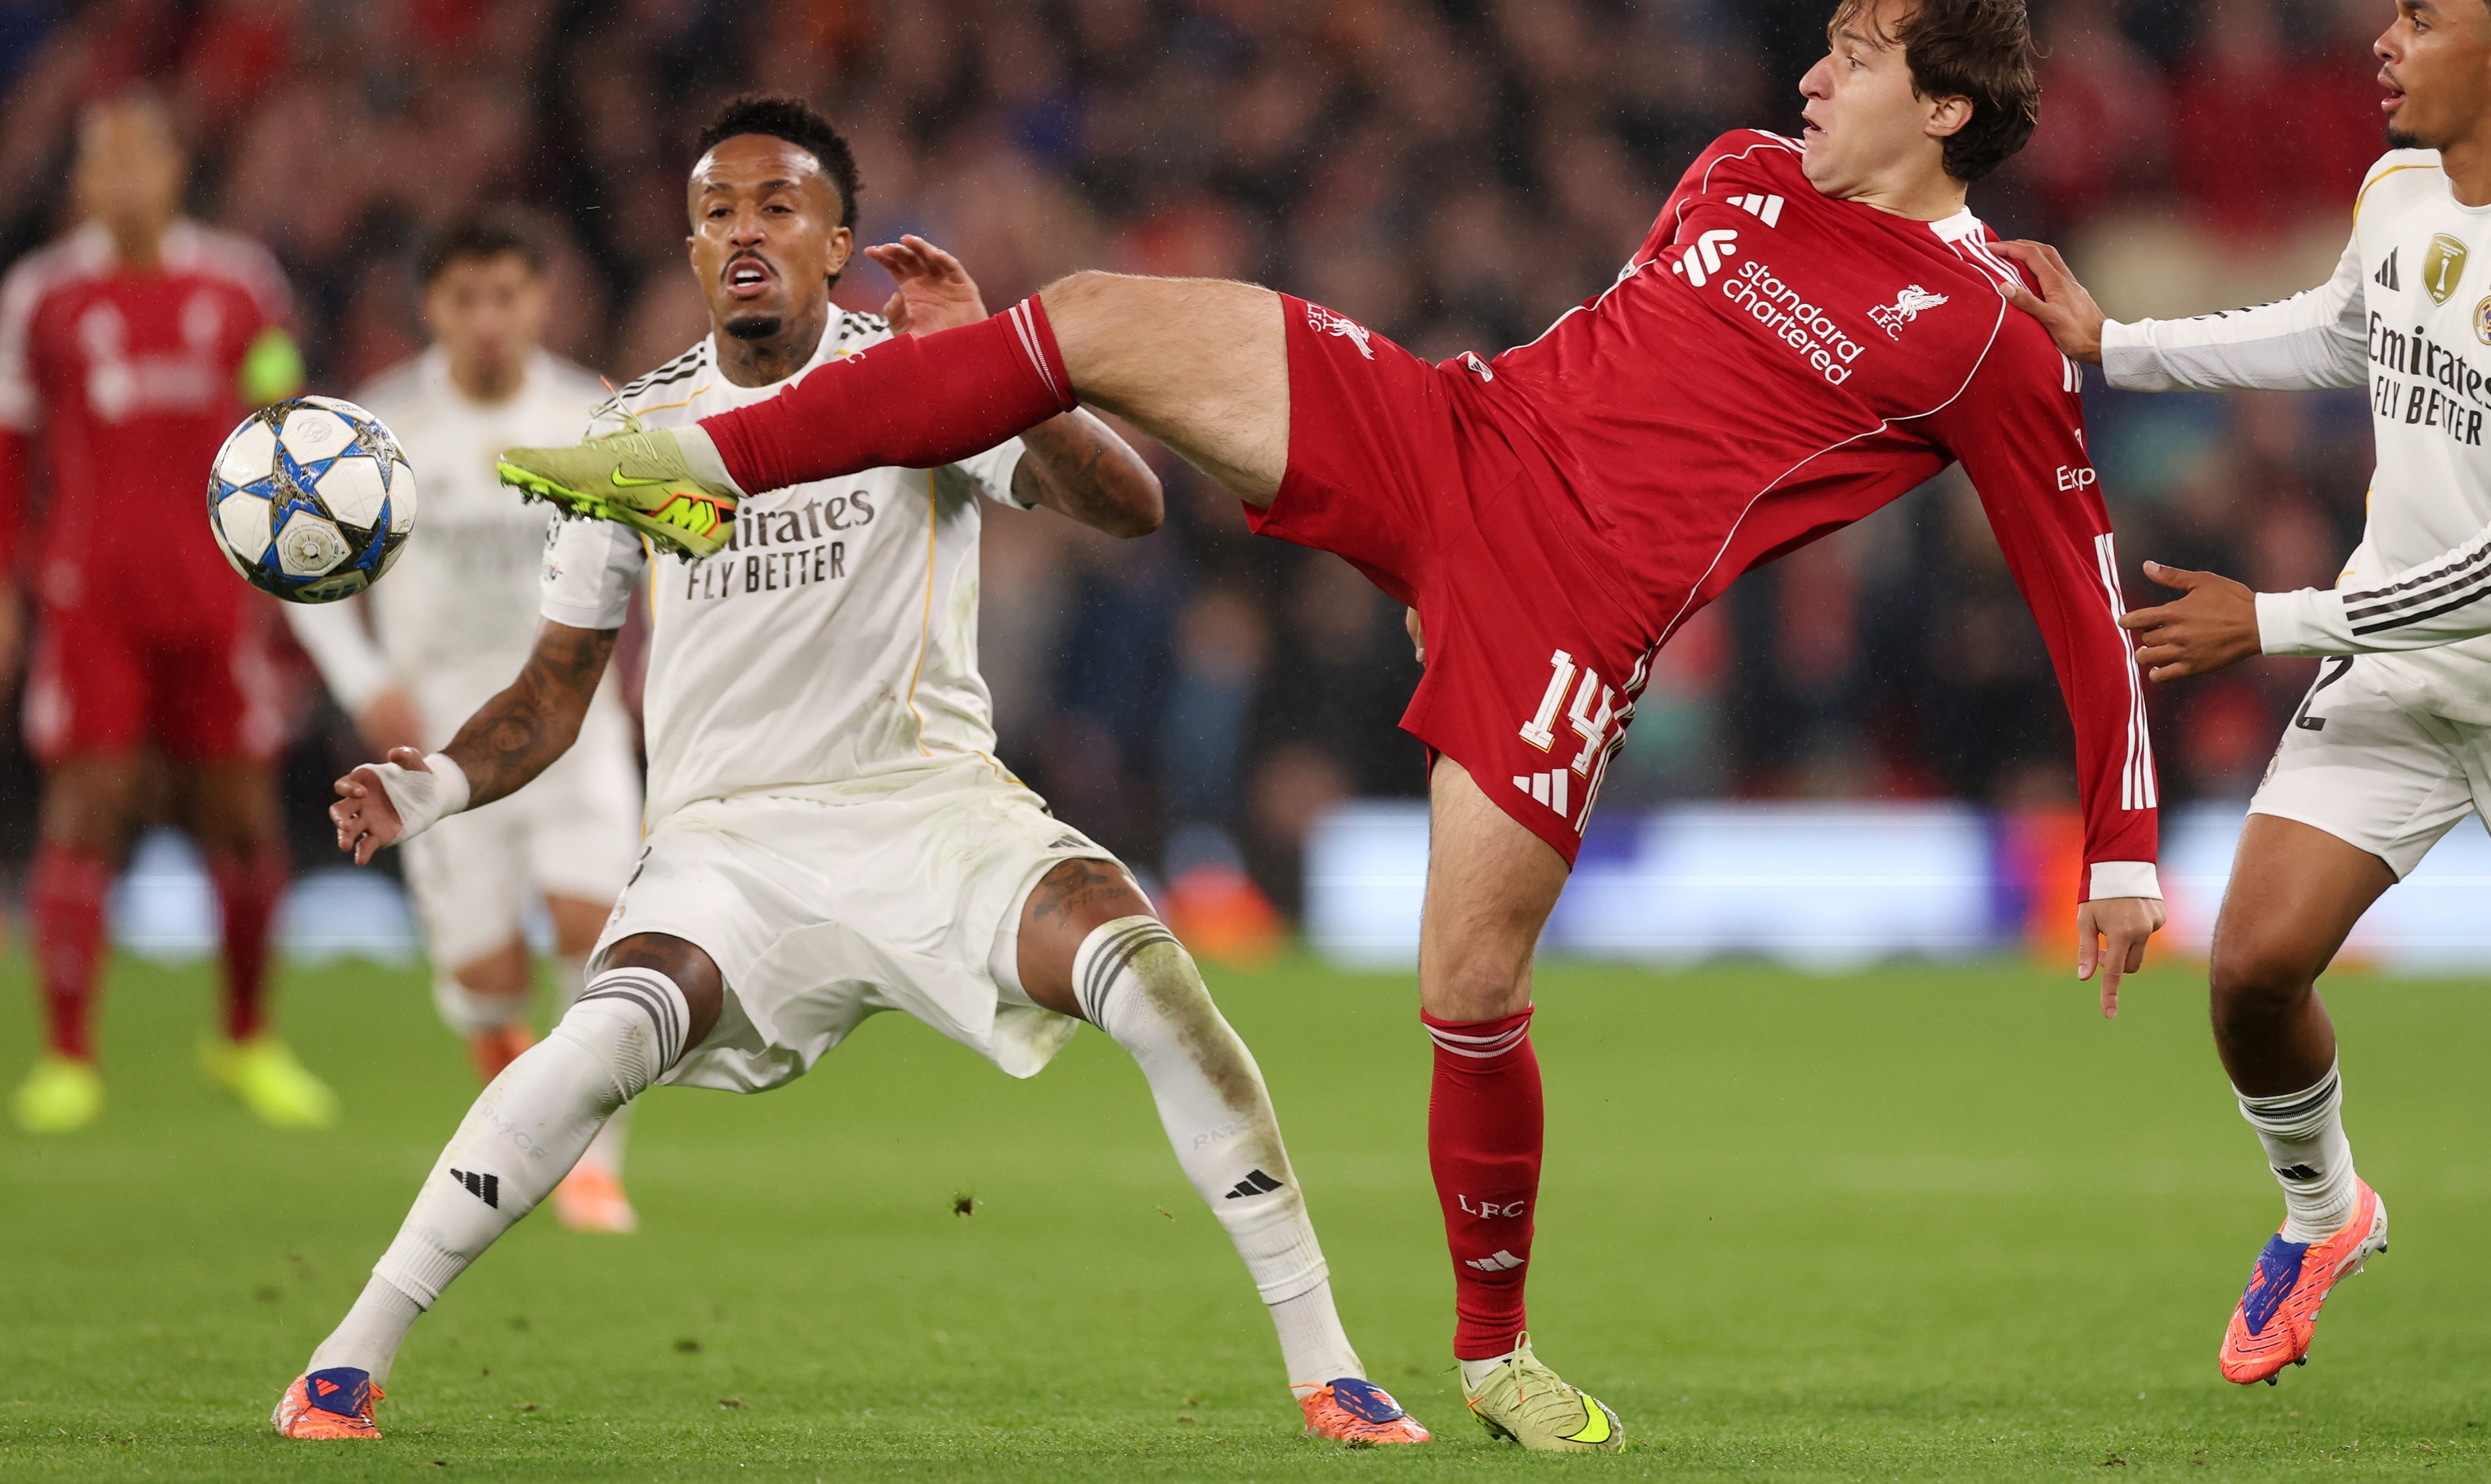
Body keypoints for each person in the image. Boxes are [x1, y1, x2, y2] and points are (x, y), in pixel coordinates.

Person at [501, 0, 2169, 1451]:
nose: (1808, 76)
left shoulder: (1977, 333)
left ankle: (1494, 1353)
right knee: (1080, 317)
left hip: (1573, 609)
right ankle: (685, 456)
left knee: (1465, 985)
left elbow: (2074, 578)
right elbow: (1635, 357)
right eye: (1818, 44)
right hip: (1451, 433)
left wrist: (2116, 845)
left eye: (1856, 56)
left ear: (1943, 106)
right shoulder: (1734, 172)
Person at [274, 95, 1429, 1447]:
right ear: (694, 250)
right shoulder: (633, 437)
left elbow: (1132, 505)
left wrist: (1008, 371)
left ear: (839, 242)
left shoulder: (927, 372)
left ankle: (1327, 1362)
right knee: (594, 1037)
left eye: (776, 207)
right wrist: (435, 785)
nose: (743, 234)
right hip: (731, 845)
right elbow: (551, 692)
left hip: (932, 811)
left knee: (1146, 965)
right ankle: (348, 1356)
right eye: (717, 213)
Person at [1995, 0, 2491, 1458]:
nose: (2377, 38)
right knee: (2247, 963)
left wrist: (2279, 618)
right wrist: (2116, 340)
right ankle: (2324, 1208)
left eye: (2413, 15)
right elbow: (2342, 324)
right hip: (2407, 656)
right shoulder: (2397, 188)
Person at [285, 212, 646, 1232]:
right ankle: (516, 1080)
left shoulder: (592, 416)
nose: (488, 319)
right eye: (465, 299)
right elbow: (297, 570)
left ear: (540, 299)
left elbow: (670, 546)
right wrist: (361, 679)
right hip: (441, 745)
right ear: (431, 307)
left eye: (507, 295)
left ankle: (591, 1163)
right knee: (485, 980)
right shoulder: (378, 435)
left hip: (571, 722)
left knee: (597, 931)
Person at [0, 91, 333, 1134]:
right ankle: (68, 1056)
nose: (127, 178)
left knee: (240, 815)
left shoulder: (241, 285)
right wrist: (11, 584)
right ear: (85, 181)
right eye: (108, 161)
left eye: (146, 158)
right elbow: (11, 458)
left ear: (178, 172)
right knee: (85, 808)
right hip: (92, 597)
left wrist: (300, 561)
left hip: (220, 592)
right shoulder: (42, 296)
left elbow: (285, 420)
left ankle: (244, 1038)